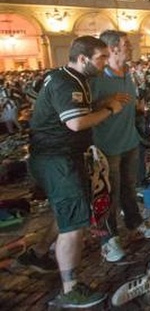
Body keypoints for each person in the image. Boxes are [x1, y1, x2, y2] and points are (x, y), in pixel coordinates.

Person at [26, 36, 129, 308]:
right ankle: (71, 288)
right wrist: (109, 108)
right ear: (83, 59)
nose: (106, 62)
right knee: (75, 224)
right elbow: (76, 122)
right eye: (101, 58)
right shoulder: (67, 82)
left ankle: (36, 254)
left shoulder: (71, 78)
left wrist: (102, 101)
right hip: (57, 159)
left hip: (58, 157)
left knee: (67, 211)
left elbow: (73, 112)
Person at [91, 30, 150, 263]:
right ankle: (108, 240)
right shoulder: (97, 76)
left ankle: (134, 224)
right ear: (112, 49)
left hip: (129, 141)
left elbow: (129, 102)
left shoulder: (128, 73)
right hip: (106, 145)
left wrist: (139, 109)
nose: (130, 47)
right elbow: (85, 109)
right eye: (126, 44)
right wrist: (106, 104)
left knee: (129, 188)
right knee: (108, 195)